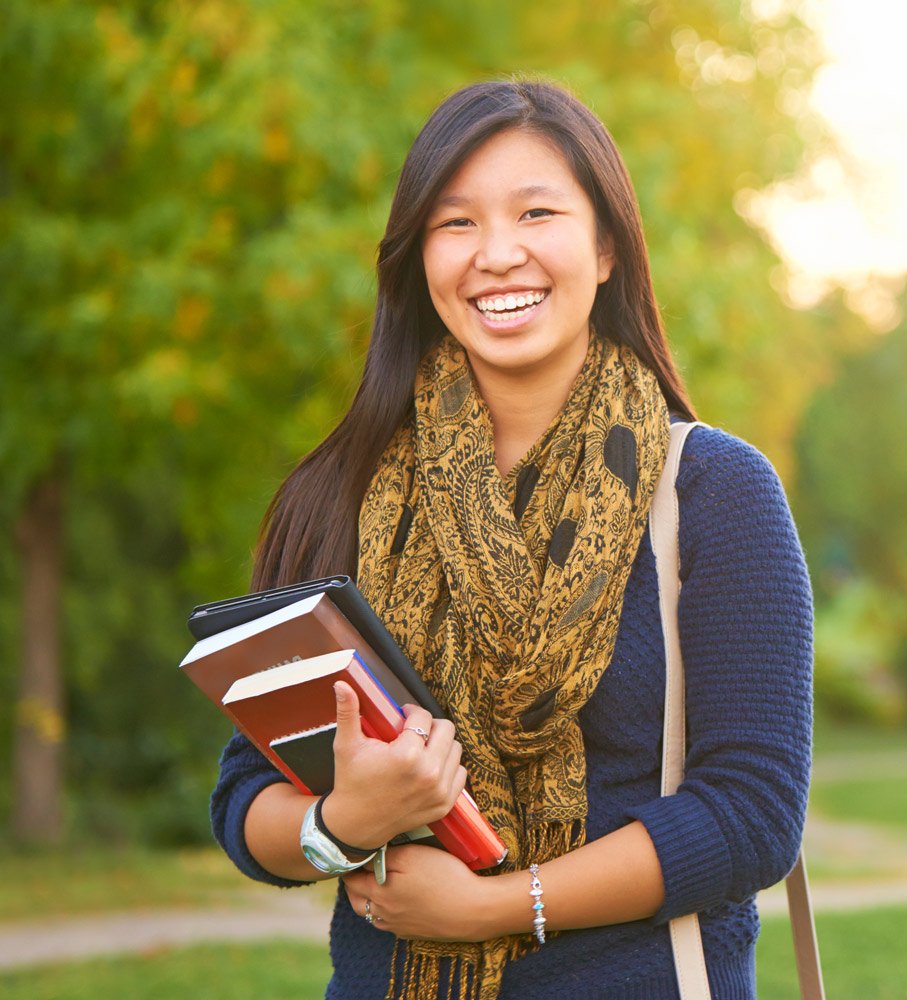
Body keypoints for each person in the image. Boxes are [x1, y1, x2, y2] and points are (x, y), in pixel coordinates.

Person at [209, 78, 814, 1000]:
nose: (497, 255)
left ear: (606, 245)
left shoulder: (714, 491)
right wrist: (344, 820)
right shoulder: (337, 492)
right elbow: (245, 797)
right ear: (417, 258)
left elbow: (753, 815)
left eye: (536, 211)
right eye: (455, 224)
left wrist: (498, 905)